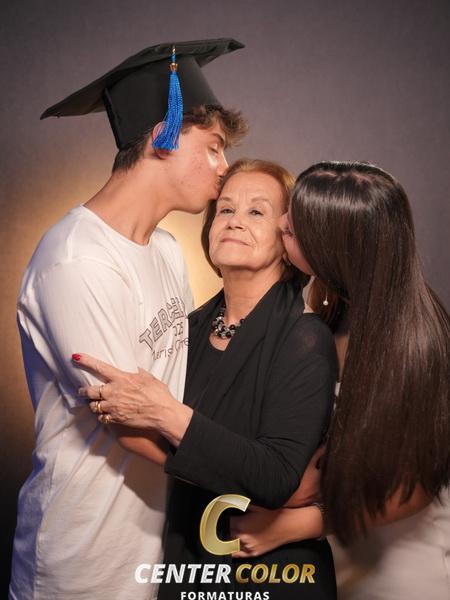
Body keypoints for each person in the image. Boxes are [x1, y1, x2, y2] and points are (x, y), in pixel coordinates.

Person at [10, 39, 247, 600]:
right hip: (81, 558)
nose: (224, 167)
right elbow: (132, 426)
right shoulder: (77, 259)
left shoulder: (165, 249)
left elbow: (179, 394)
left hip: (151, 547)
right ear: (163, 136)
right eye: (214, 148)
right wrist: (251, 482)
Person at [74, 158, 339, 599]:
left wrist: (166, 415)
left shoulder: (305, 338)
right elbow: (135, 428)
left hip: (272, 576)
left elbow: (275, 478)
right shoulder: (187, 328)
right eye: (226, 209)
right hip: (188, 560)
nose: (235, 221)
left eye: (257, 211)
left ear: (288, 238)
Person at [228, 161, 450, 600]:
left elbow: (412, 489)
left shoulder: (416, 344)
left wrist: (294, 524)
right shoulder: (334, 300)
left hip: (394, 565)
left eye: (296, 228)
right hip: (333, 551)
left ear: (336, 248)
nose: (282, 223)